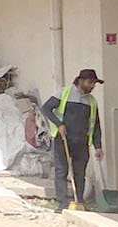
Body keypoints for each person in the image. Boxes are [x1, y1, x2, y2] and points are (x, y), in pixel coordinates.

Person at [41, 69, 105, 211]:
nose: (92, 86)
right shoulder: (64, 93)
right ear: (81, 81)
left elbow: (95, 125)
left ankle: (79, 202)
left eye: (94, 84)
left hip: (82, 142)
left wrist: (98, 146)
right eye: (90, 83)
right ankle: (62, 203)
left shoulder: (92, 102)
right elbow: (46, 109)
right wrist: (59, 125)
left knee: (80, 173)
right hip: (62, 139)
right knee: (62, 171)